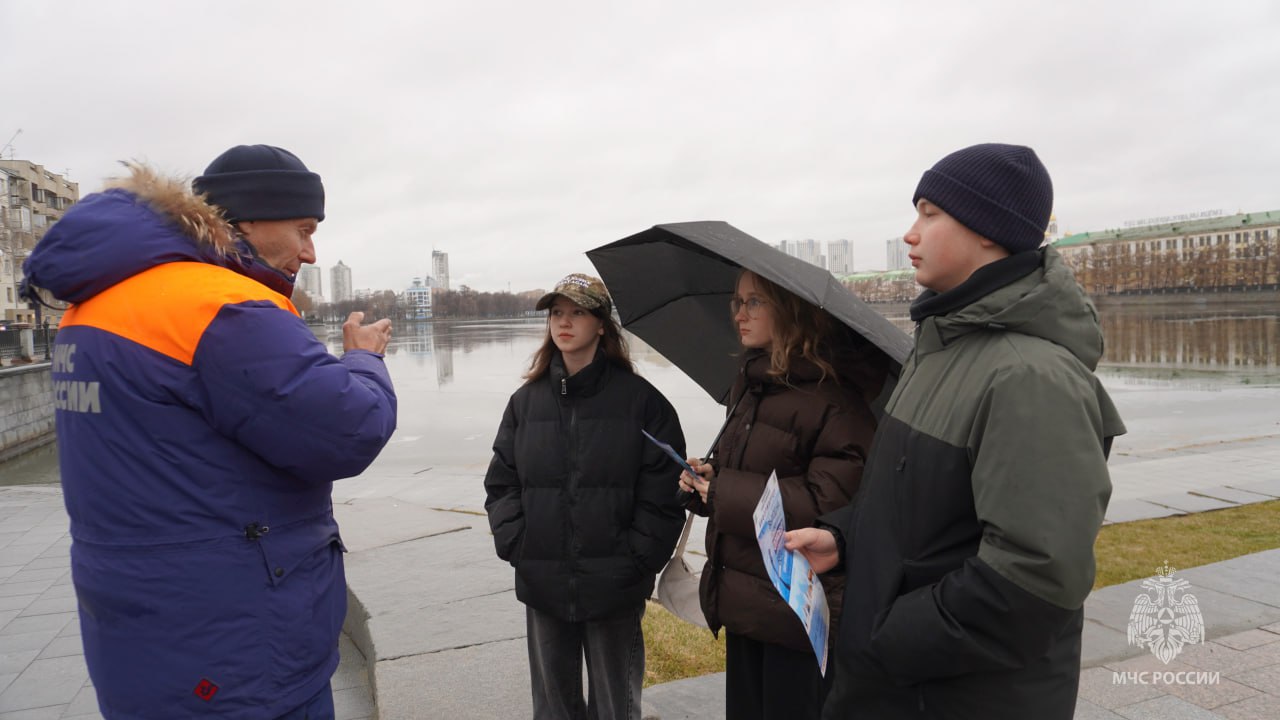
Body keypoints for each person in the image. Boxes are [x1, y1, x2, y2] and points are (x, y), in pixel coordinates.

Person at [20, 145, 397, 719]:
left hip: (142, 628)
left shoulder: (95, 306)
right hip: (236, 645)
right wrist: (363, 361)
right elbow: (348, 429)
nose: (309, 249)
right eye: (302, 228)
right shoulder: (217, 308)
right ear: (246, 219)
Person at [785, 143, 1127, 719]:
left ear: (988, 229)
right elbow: (920, 508)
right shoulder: (941, 350)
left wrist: (886, 637)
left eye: (929, 213)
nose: (911, 234)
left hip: (952, 695)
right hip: (900, 688)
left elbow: (1034, 577)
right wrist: (845, 540)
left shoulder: (1028, 376)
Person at [679, 269, 882, 720]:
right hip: (746, 599)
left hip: (795, 610)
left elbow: (828, 504)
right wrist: (708, 481)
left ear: (791, 313)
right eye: (737, 302)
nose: (739, 314)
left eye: (754, 302)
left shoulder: (836, 400)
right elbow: (752, 475)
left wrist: (724, 491)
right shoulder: (752, 385)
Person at [484, 273, 687, 720]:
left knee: (617, 707)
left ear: (602, 325)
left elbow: (664, 494)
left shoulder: (643, 404)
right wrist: (519, 544)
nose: (564, 322)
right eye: (557, 313)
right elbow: (502, 485)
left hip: (615, 585)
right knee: (554, 709)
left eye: (578, 312)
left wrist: (638, 558)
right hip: (543, 579)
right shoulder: (525, 403)